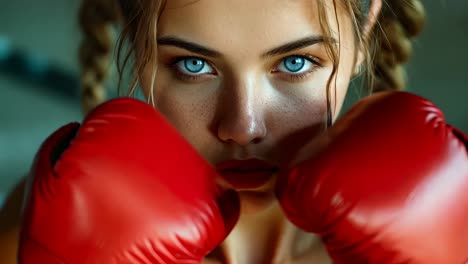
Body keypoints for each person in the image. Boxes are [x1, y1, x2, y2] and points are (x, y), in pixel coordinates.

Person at [1, 0, 467, 263]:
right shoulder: (40, 225)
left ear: (364, 33)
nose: (243, 126)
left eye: (295, 63)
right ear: (137, 40)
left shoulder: (448, 213)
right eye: (193, 64)